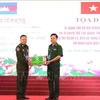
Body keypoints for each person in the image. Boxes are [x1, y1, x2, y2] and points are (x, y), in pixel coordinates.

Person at [46, 33, 63, 100]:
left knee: (56, 81)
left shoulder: (59, 46)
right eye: (51, 38)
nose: (52, 39)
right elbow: (49, 56)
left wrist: (50, 61)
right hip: (49, 66)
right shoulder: (49, 46)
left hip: (55, 66)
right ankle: (51, 95)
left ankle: (56, 96)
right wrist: (45, 61)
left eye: (53, 38)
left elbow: (59, 56)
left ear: (56, 39)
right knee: (50, 81)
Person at [16, 35, 31, 100]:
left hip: (26, 66)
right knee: (20, 81)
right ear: (20, 40)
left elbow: (27, 56)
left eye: (25, 39)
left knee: (24, 81)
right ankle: (19, 96)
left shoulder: (27, 47)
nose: (24, 40)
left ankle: (23, 95)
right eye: (23, 39)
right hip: (20, 66)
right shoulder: (18, 47)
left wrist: (30, 61)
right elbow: (20, 58)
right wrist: (27, 62)